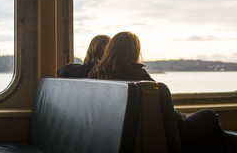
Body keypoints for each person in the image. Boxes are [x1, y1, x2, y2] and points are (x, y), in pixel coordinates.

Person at [88, 31, 229, 153]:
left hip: (131, 128)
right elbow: (166, 112)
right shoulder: (140, 77)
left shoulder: (99, 74)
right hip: (168, 128)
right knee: (209, 116)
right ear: (134, 51)